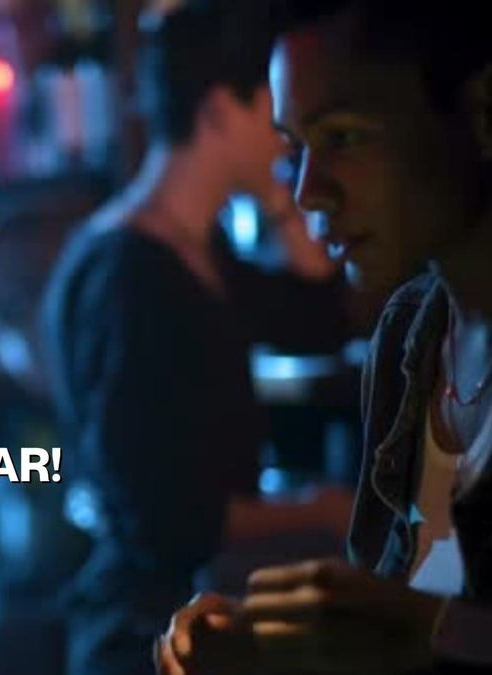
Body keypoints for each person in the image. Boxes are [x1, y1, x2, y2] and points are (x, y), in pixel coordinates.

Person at [157, 0, 492, 673]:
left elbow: (422, 632)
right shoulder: (410, 339)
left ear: (482, 114)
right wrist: (276, 645)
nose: (308, 191)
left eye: (343, 137)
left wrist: (431, 634)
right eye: (294, 149)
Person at [41, 2, 355, 674]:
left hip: (182, 613)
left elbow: (321, 318)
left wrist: (282, 201)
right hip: (141, 633)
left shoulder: (192, 250)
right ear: (220, 107)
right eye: (274, 115)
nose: (285, 134)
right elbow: (164, 517)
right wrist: (322, 508)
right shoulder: (130, 272)